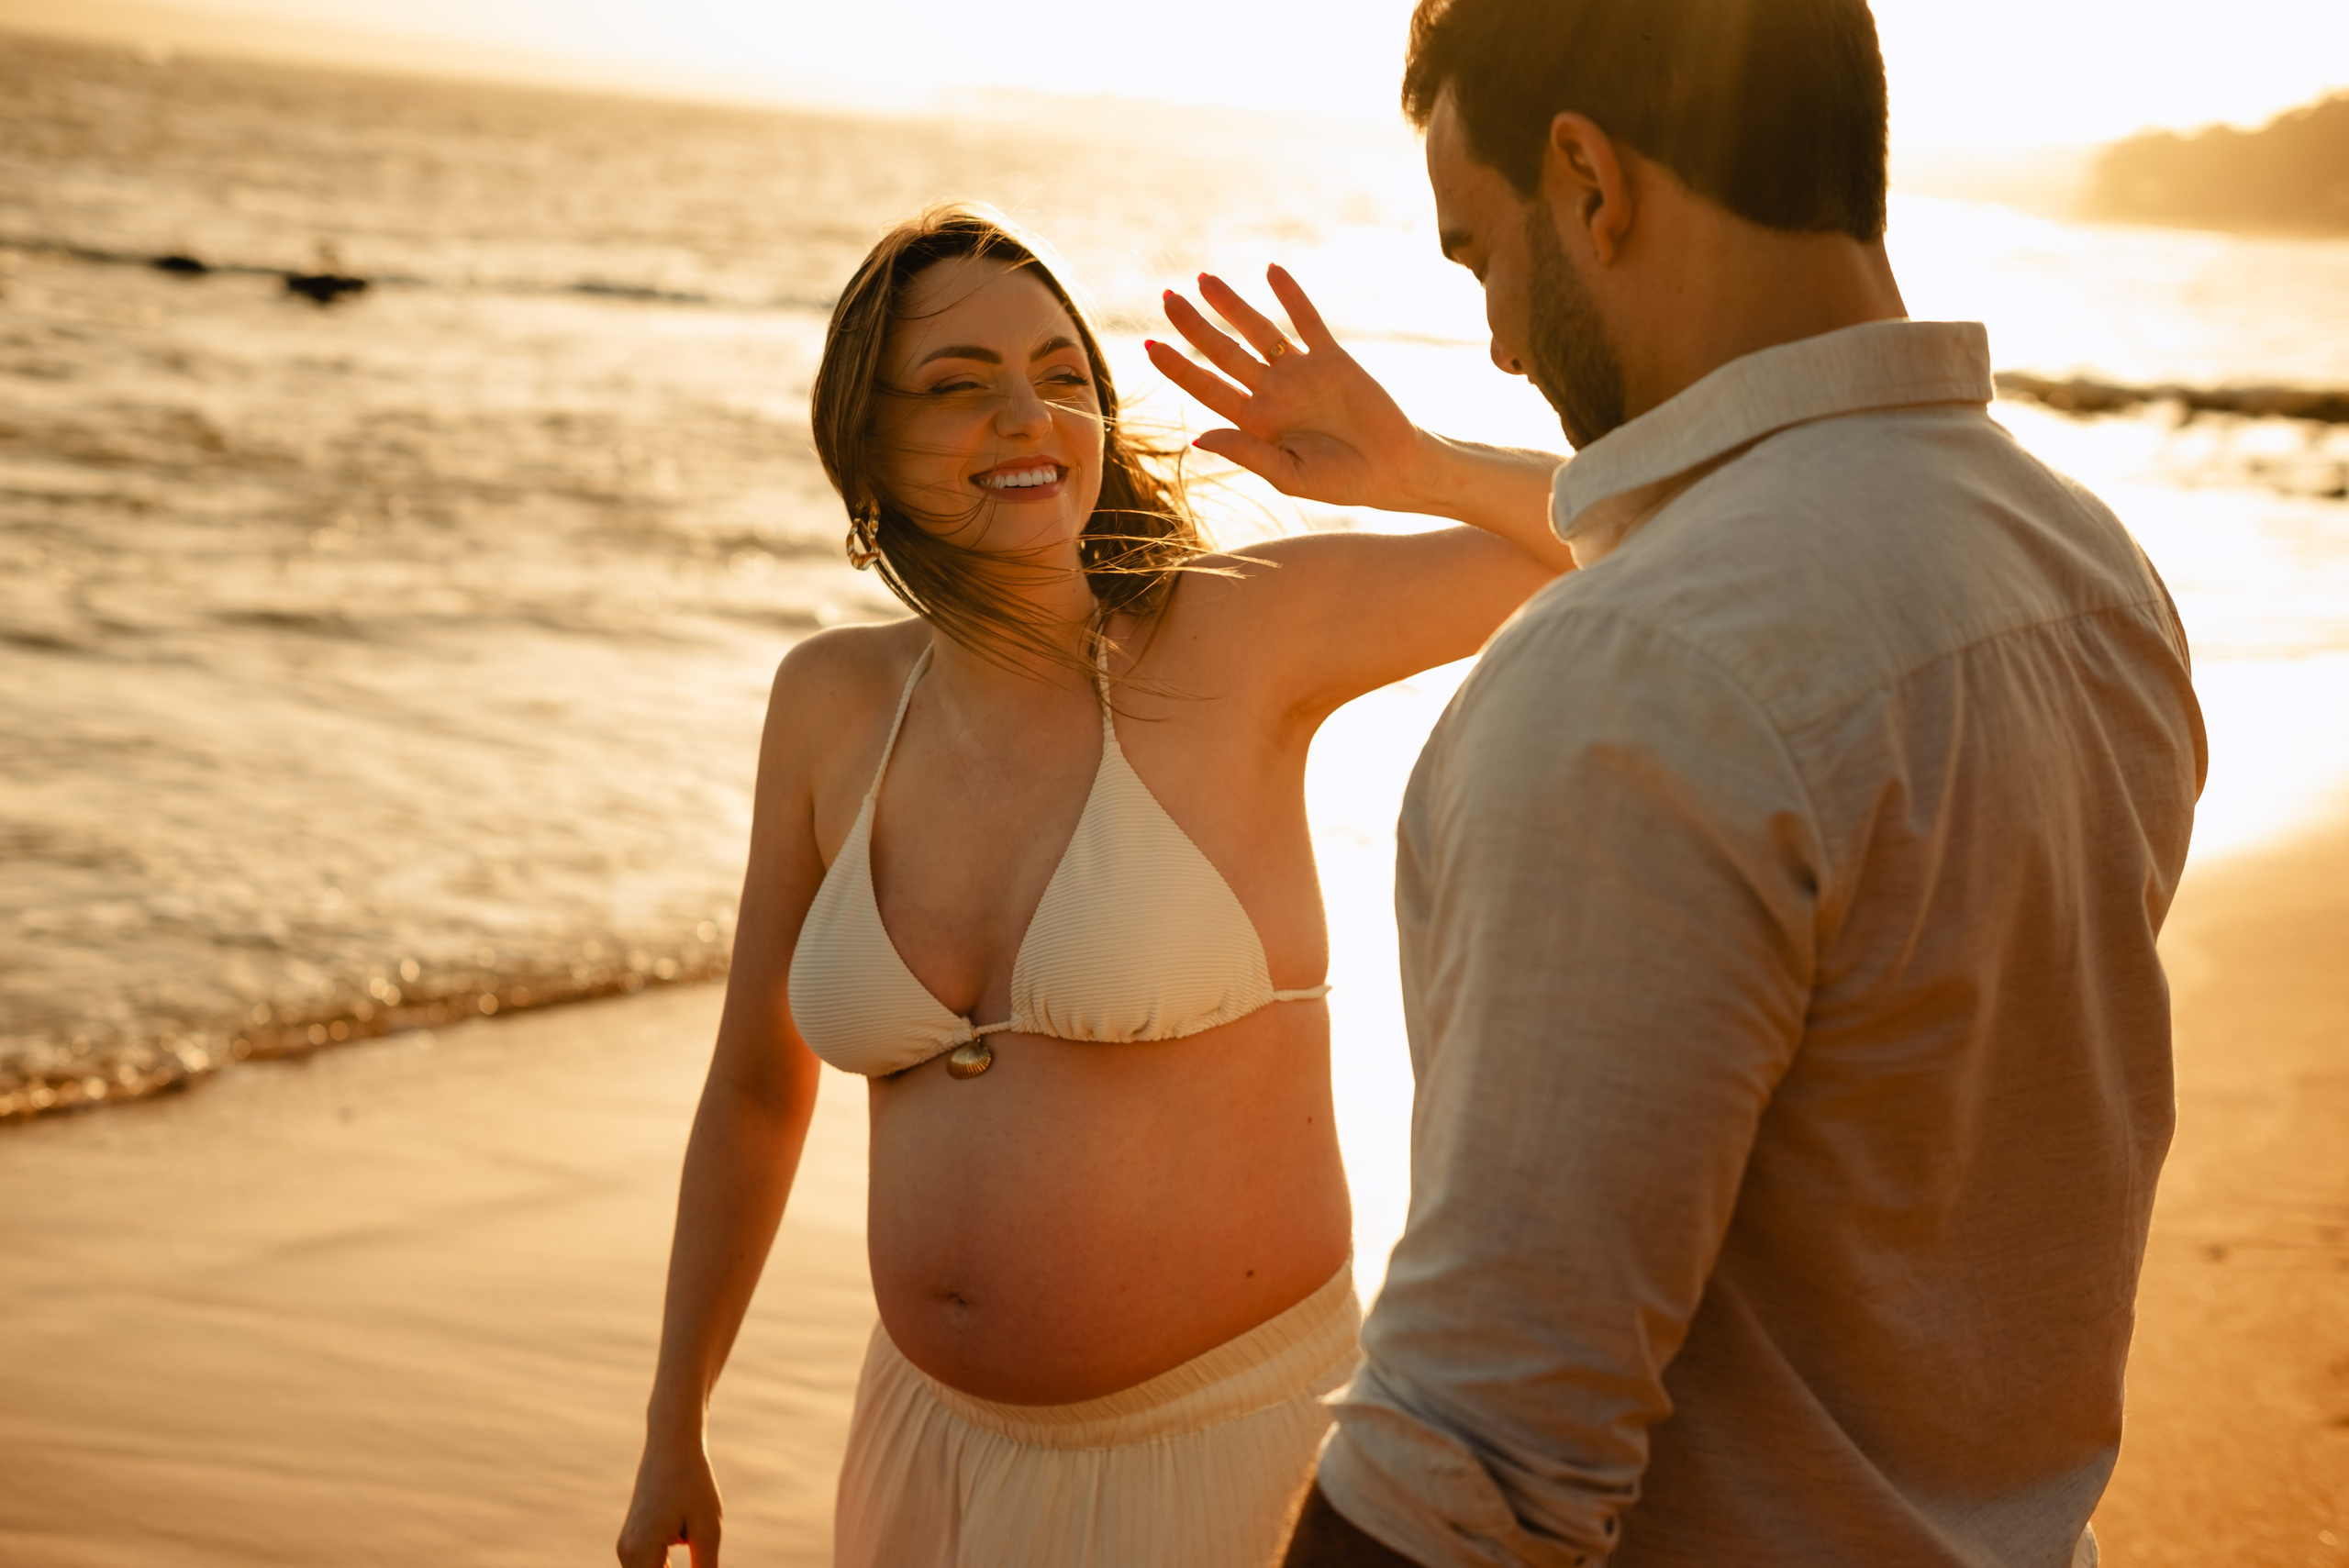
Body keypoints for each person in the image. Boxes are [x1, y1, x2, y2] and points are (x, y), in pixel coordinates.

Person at [1150, 1, 2207, 1564]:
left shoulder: (1630, 684)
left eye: (1476, 253)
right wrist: (1426, 466)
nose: (1499, 334)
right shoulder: (2086, 574)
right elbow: (1758, 532)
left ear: (1589, 177)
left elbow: (1480, 1464)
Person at [613, 206, 1572, 1568]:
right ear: (865, 441)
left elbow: (1630, 528)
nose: (1029, 417)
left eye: (1064, 377)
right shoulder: (828, 703)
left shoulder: (1234, 634)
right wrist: (672, 1421)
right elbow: (758, 1092)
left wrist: (1413, 462)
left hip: (1222, 1463)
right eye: (959, 386)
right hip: (920, 1453)